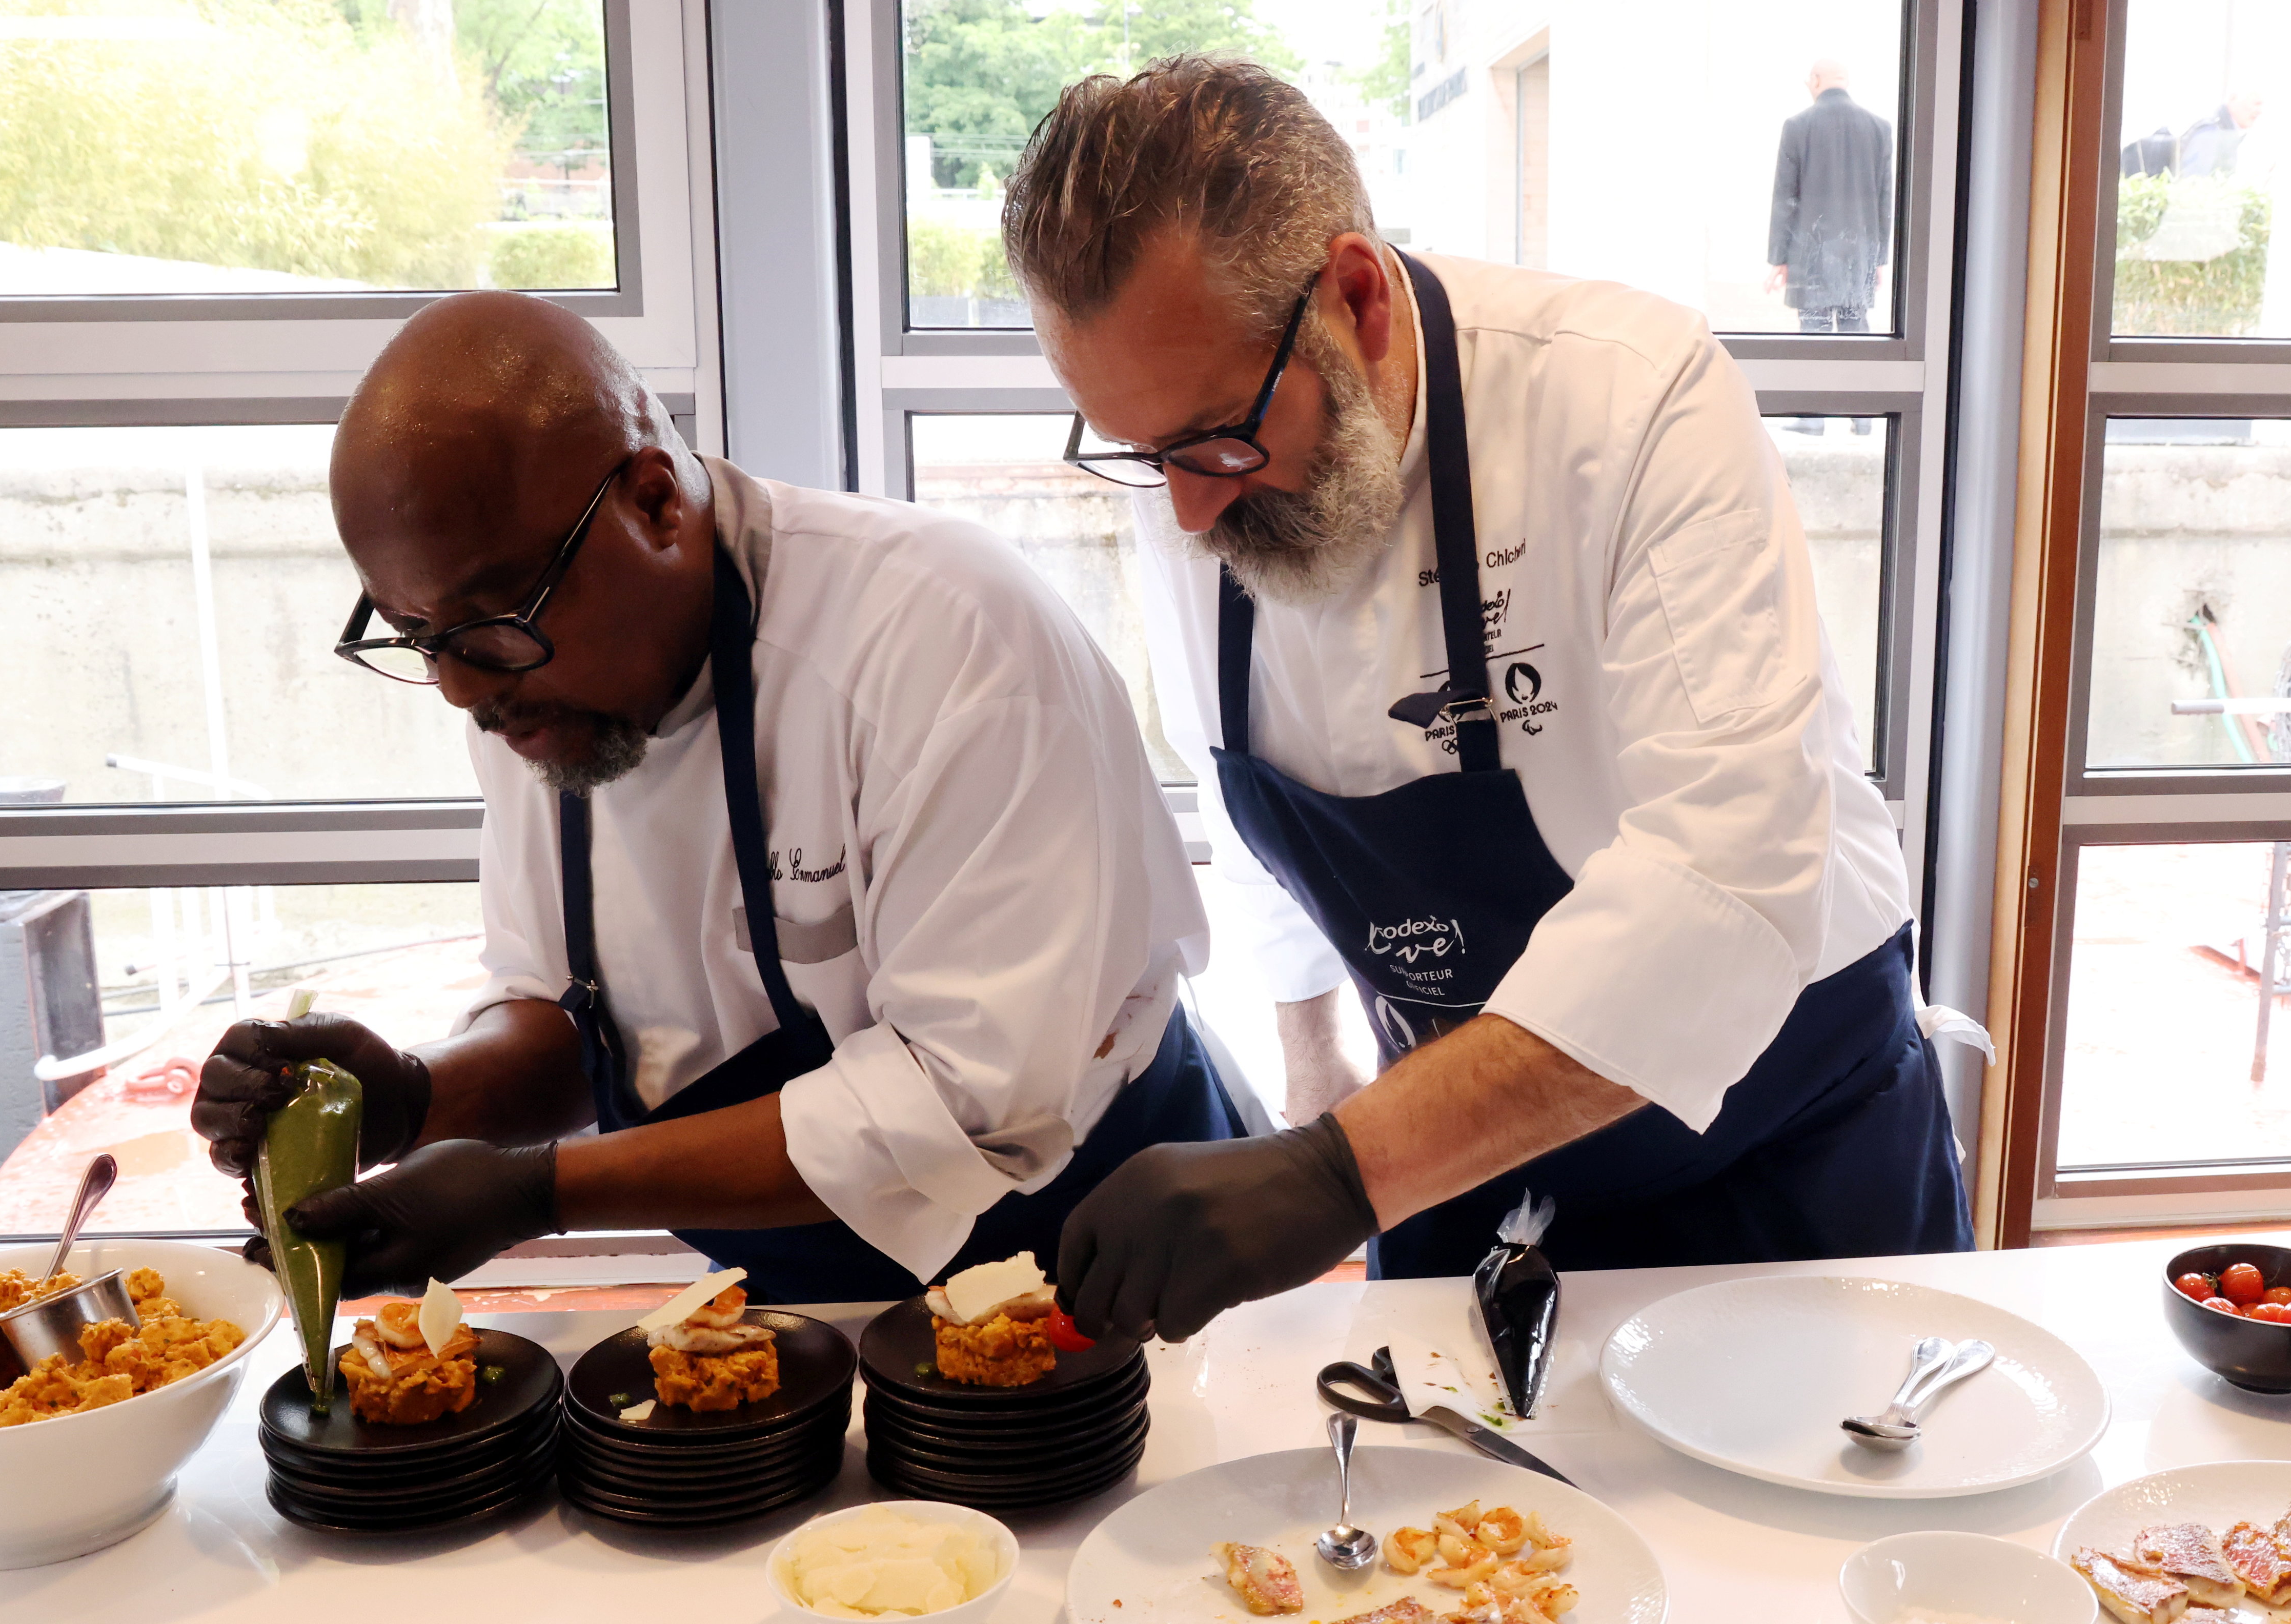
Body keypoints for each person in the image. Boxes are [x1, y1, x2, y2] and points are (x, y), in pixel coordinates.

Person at [1005, 57, 1973, 1344]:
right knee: (1449, 1540)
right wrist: (1317, 1073)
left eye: (1212, 439)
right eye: (1138, 452)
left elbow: (1723, 880)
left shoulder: (1627, 396)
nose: (1186, 507)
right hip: (1460, 1163)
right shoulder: (1197, 479)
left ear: (1356, 297)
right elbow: (1245, 793)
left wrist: (1336, 1170)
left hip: (1779, 1149)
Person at [190, 292, 1242, 1303]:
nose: (464, 691)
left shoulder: (943, 636)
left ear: (653, 502)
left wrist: (537, 1192)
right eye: (419, 637)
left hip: (1096, 1262)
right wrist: (416, 1097)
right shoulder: (536, 693)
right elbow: (579, 1019)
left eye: (491, 619)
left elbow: (966, 1104)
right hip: (796, 1289)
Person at [1768, 57, 1892, 435]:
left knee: (1815, 330)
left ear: (1817, 81)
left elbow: (1785, 198)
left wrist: (1779, 258)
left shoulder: (1798, 127)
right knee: (1857, 329)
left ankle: (1813, 418)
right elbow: (1886, 199)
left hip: (1812, 251)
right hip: (1859, 254)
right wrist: (1880, 258)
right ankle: (1863, 418)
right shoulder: (1879, 129)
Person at [2179, 91, 2265, 178]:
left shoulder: (2224, 132)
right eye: (2256, 104)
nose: (2260, 111)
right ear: (2233, 98)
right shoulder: (2211, 132)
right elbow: (2193, 182)